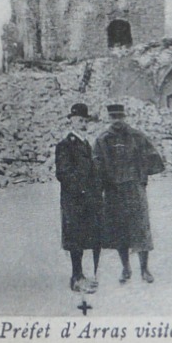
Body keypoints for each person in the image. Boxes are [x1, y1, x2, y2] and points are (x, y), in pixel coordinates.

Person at [93, 103, 165, 284]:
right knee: (119, 230)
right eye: (113, 117)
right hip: (113, 191)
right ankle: (125, 268)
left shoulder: (137, 137)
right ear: (109, 118)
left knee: (140, 229)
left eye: (120, 117)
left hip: (134, 189)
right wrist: (101, 181)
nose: (117, 121)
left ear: (125, 117)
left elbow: (156, 160)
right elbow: (96, 165)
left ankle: (144, 269)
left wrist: (141, 175)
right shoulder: (103, 140)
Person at [55, 103, 103, 293]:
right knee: (75, 239)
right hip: (74, 200)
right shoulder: (65, 145)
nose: (82, 124)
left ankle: (81, 276)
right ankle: (76, 278)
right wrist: (82, 190)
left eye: (85, 121)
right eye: (79, 120)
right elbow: (63, 174)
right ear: (71, 121)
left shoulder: (85, 144)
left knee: (83, 237)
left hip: (87, 200)